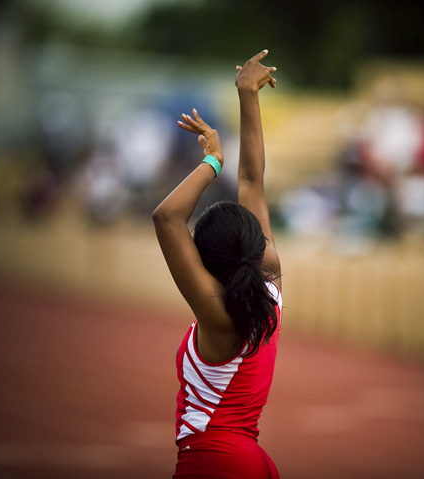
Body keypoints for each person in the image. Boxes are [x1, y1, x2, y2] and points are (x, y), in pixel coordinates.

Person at [152, 50, 281, 479]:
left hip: (212, 460)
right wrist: (248, 94)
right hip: (254, 462)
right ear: (256, 244)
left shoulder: (217, 311)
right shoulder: (270, 281)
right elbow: (252, 182)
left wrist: (212, 159)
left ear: (205, 261)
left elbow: (167, 217)